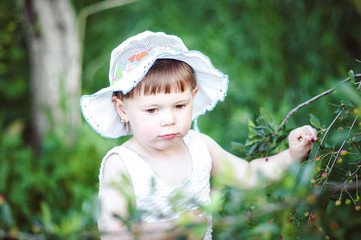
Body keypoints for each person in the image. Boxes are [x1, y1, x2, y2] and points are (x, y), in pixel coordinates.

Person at [80, 31, 318, 240]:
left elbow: (247, 175)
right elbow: (113, 232)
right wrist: (175, 229)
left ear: (193, 96)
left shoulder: (200, 146)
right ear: (123, 109)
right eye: (152, 110)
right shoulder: (121, 164)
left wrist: (291, 155)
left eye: (180, 106)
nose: (169, 119)